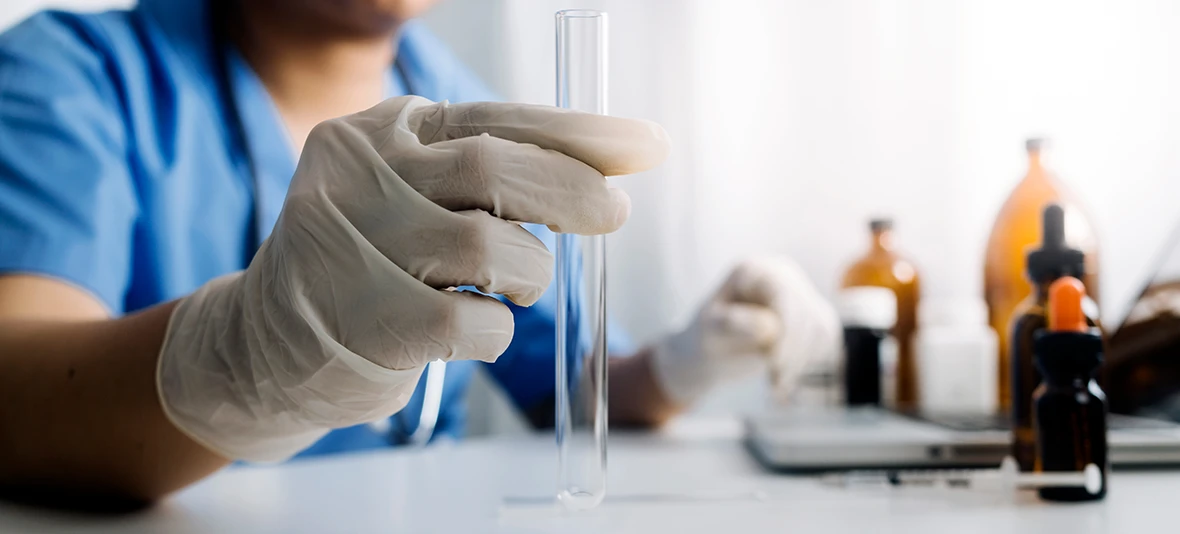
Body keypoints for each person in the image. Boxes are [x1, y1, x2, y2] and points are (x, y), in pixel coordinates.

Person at [0, 0, 841, 504]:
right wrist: (239, 356)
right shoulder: (72, 75)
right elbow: (17, 388)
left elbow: (569, 382)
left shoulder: (467, 119)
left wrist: (689, 360)